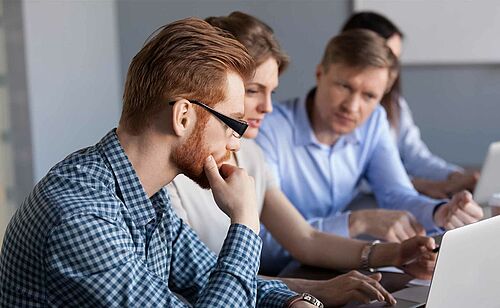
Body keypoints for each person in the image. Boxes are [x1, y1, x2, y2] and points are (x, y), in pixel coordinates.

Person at [0, 18, 314, 307]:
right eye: (231, 124)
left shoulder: (147, 194)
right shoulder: (81, 217)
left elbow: (210, 277)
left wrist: (292, 302)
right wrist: (245, 222)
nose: (235, 143)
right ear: (183, 116)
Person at [169, 12, 436, 306]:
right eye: (253, 91)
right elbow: (202, 279)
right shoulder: (171, 179)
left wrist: (395, 253)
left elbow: (305, 239)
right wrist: (313, 290)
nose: (268, 107)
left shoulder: (249, 154)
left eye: (272, 92)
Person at [255, 29, 483, 273]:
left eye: (369, 96)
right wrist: (357, 222)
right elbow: (263, 244)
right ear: (320, 73)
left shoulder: (374, 121)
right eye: (344, 86)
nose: (352, 107)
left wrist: (439, 212)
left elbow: (396, 194)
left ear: (382, 95)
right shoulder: (266, 128)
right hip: (274, 274)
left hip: (331, 264)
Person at [341, 11, 478, 200]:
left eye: (396, 60)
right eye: (387, 58)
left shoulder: (393, 105)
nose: (393, 70)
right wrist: (417, 185)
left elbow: (416, 156)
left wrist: (454, 175)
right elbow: (350, 177)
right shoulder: (342, 112)